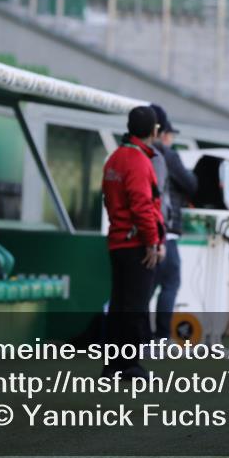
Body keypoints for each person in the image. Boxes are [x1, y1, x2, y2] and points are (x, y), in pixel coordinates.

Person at [101, 106, 165, 379]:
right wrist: (152, 242)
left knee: (119, 305)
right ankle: (130, 366)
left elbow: (109, 199)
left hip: (118, 241)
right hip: (136, 244)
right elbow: (142, 206)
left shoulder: (115, 158)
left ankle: (113, 365)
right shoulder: (139, 161)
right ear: (154, 131)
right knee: (136, 306)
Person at [150, 104, 198, 343]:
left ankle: (130, 337)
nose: (170, 138)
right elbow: (191, 184)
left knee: (144, 287)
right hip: (163, 231)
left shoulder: (133, 152)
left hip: (140, 231)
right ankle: (160, 337)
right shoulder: (166, 155)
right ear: (160, 132)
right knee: (170, 282)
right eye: (169, 133)